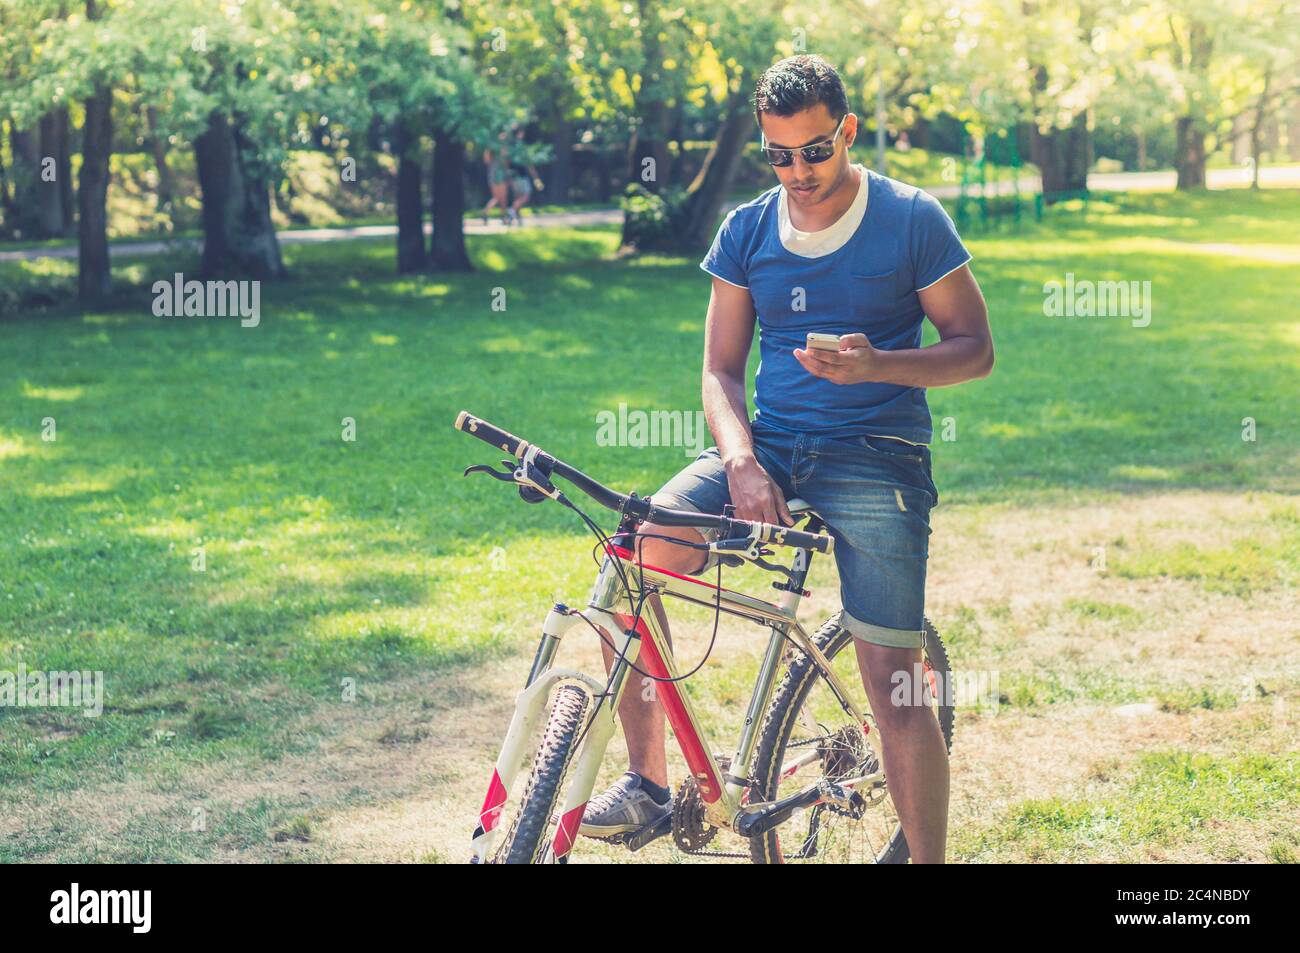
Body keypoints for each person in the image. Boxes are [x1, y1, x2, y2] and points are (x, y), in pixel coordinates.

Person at [579, 54, 994, 863]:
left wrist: (877, 364)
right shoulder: (746, 230)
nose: (798, 171)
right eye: (778, 153)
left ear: (848, 131)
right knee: (630, 564)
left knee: (893, 686)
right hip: (767, 447)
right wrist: (739, 459)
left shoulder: (912, 218)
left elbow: (974, 349)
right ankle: (651, 784)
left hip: (878, 452)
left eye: (814, 149)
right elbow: (719, 371)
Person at [482, 142, 510, 225]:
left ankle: (486, 211)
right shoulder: (503, 149)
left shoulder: (490, 151)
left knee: (497, 197)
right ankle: (503, 218)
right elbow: (506, 164)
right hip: (500, 176)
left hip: (492, 176)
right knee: (502, 198)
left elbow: (486, 160)